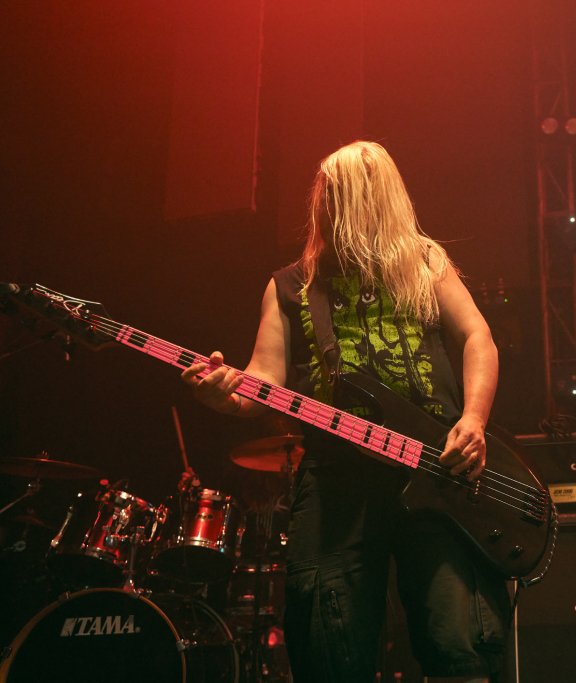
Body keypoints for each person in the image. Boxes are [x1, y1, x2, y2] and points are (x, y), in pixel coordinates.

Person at [182, 141, 509, 682]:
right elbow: (262, 379)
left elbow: (478, 337)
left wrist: (473, 420)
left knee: (460, 646)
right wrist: (226, 395)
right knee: (328, 646)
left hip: (437, 472)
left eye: (350, 193)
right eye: (330, 194)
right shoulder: (291, 285)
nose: (336, 206)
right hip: (336, 476)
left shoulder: (426, 262)